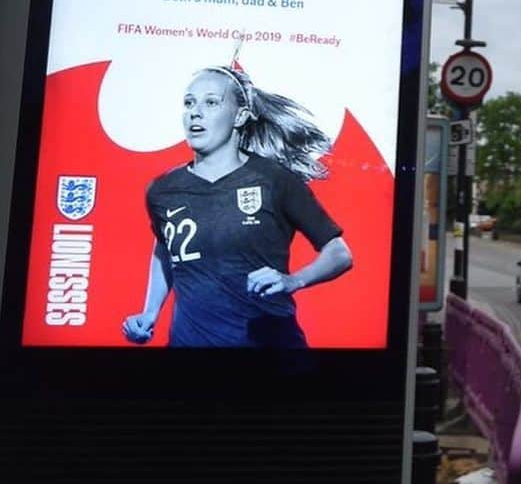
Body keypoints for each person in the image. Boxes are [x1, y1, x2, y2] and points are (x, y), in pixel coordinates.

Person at [122, 65, 353, 347]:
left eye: (211, 102)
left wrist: (294, 281)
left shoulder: (275, 180)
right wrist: (150, 312)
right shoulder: (162, 190)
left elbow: (339, 253)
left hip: (271, 356)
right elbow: (165, 249)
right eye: (189, 102)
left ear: (240, 116)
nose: (195, 112)